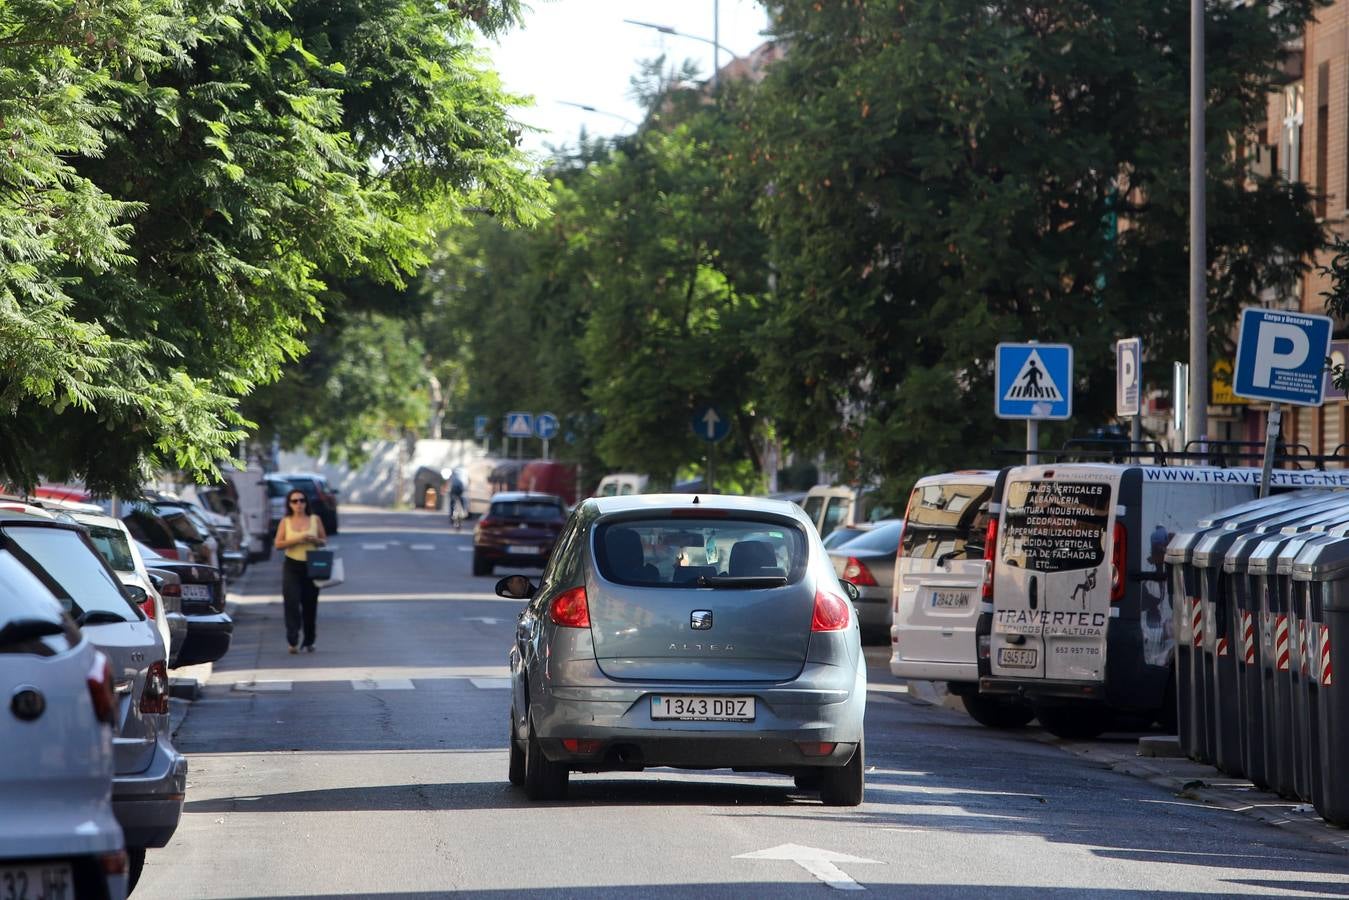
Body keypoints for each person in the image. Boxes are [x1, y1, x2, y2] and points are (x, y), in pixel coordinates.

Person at [274, 488, 328, 653]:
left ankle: (309, 640)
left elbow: (324, 541)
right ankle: (292, 640)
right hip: (292, 566)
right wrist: (298, 539)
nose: (299, 504)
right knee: (291, 603)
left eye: (302, 500)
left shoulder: (314, 519)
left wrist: (315, 540)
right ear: (289, 504)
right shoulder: (286, 521)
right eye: (295, 501)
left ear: (306, 503)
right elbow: (278, 544)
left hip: (312, 566)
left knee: (310, 605)